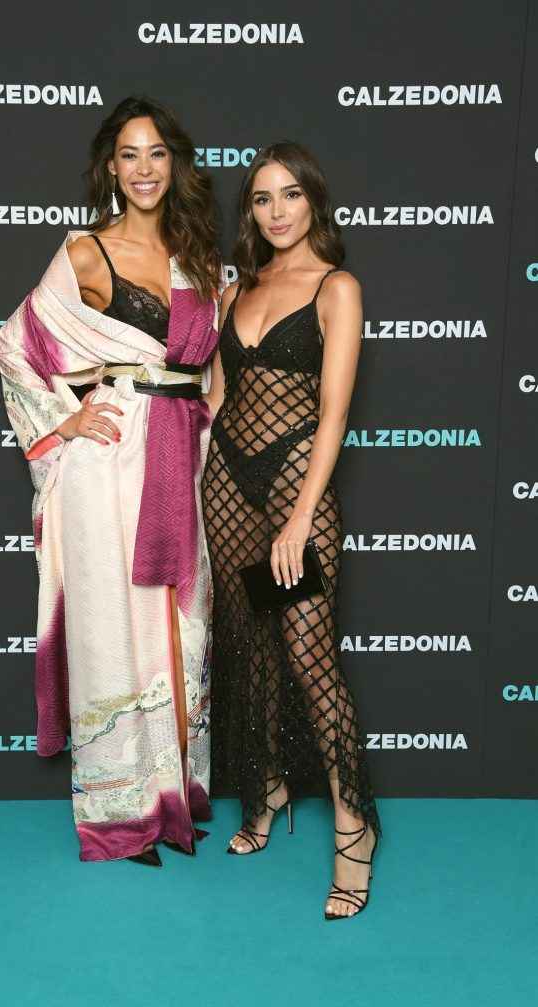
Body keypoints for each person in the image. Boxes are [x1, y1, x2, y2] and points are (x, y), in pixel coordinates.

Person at [0, 96, 220, 866]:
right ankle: (120, 813)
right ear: (110, 167)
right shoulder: (86, 252)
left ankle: (171, 797)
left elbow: (207, 372)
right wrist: (67, 420)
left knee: (177, 628)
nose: (143, 168)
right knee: (108, 629)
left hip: (180, 459)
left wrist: (208, 442)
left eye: (156, 153)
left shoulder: (196, 255)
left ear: (174, 164)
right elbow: (14, 345)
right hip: (109, 463)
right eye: (129, 154)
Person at [202, 142, 381, 918]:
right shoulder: (237, 286)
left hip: (293, 479)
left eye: (289, 195)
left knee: (307, 653)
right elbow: (216, 396)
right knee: (251, 646)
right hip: (226, 480)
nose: (276, 211)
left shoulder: (337, 287)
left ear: (313, 201)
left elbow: (334, 413)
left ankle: (354, 828)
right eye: (261, 198)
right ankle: (267, 786)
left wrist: (301, 516)